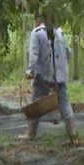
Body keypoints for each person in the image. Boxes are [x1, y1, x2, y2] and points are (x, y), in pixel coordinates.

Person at [22, 13, 75, 141]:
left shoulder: (37, 33)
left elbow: (33, 55)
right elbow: (68, 52)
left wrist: (30, 71)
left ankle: (31, 134)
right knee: (64, 103)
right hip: (59, 76)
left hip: (42, 76)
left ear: (37, 19)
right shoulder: (59, 31)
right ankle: (72, 133)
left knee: (35, 103)